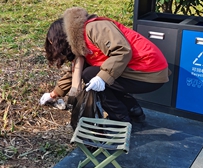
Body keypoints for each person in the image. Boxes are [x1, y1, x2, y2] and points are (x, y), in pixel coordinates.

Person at [40, 7, 169, 123]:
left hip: (149, 70)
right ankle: (133, 109)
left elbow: (122, 51)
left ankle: (119, 118)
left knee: (92, 75)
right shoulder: (81, 42)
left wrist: (102, 77)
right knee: (96, 74)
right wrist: (54, 94)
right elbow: (74, 72)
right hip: (142, 70)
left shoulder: (94, 29)